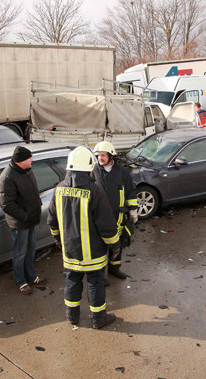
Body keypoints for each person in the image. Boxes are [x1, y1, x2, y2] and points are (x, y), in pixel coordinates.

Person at [48, 146, 120, 329]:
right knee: (95, 284)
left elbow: (52, 221)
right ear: (88, 168)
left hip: (70, 252)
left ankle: (72, 317)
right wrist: (115, 245)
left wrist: (59, 240)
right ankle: (98, 319)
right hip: (93, 254)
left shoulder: (59, 190)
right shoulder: (94, 191)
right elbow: (106, 224)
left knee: (72, 282)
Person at [0, 146, 47, 295]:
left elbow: (32, 191)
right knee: (20, 252)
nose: (32, 159)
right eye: (29, 158)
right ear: (21, 161)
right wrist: (25, 216)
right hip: (20, 223)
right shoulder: (7, 177)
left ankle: (31, 275)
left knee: (31, 248)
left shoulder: (26, 170)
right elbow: (7, 204)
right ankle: (21, 281)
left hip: (31, 219)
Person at [93, 141, 138, 281]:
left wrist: (133, 210)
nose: (100, 158)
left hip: (118, 217)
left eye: (103, 155)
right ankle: (101, 275)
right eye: (98, 155)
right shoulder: (93, 171)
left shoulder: (122, 172)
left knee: (117, 244)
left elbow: (130, 192)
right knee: (100, 247)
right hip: (99, 217)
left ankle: (114, 269)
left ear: (111, 156)